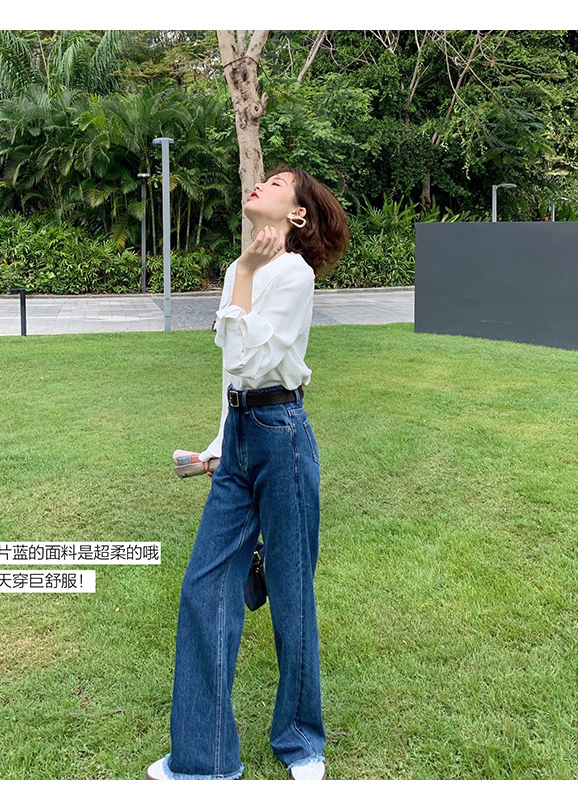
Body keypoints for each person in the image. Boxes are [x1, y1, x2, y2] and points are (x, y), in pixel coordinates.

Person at [147, 165, 350, 780]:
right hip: (241, 433)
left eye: (279, 184)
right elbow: (232, 379)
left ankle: (301, 742)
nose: (261, 184)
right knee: (205, 587)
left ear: (297, 214)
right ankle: (204, 759)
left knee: (291, 589)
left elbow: (249, 360)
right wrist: (220, 445)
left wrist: (245, 274)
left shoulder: (293, 274)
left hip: (281, 434)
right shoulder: (246, 268)